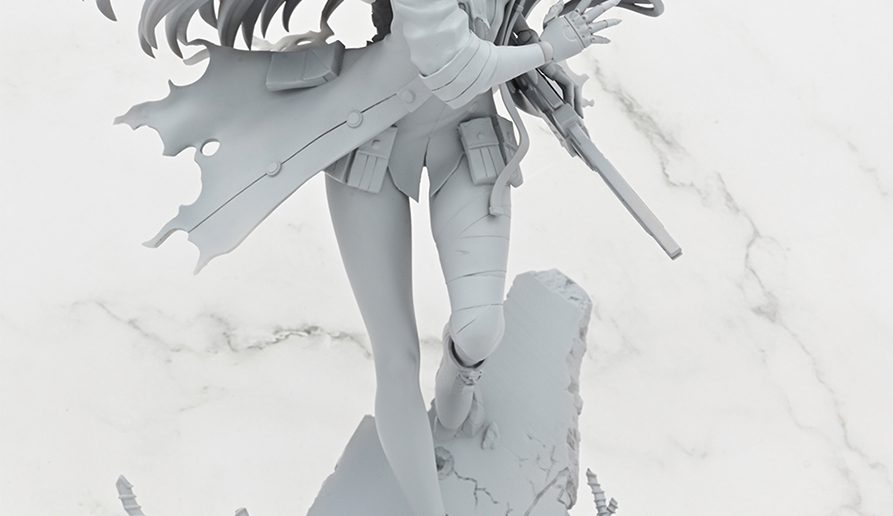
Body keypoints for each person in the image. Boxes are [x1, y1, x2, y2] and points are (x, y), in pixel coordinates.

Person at [90, 0, 626, 513]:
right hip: (370, 137)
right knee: (397, 358)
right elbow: (453, 66)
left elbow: (494, 43)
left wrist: (543, 75)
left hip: (468, 143)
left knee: (481, 330)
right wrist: (547, 50)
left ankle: (459, 386)